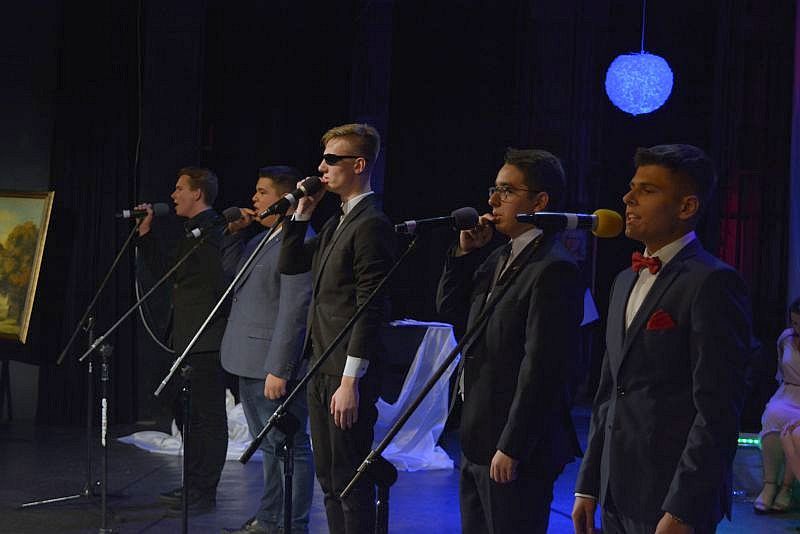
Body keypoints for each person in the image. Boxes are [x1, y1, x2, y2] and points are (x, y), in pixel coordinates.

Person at [572, 144, 753, 534]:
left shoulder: (713, 282)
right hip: (615, 490)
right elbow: (609, 391)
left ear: (687, 207)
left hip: (671, 496)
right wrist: (588, 484)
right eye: (631, 187)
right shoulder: (624, 280)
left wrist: (684, 508)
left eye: (647, 190)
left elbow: (718, 409)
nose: (628, 198)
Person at [436, 148, 584, 534]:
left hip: (515, 445)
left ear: (539, 202)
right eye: (494, 190)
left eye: (506, 191)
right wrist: (465, 253)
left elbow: (543, 368)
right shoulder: (499, 256)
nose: (492, 201)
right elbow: (452, 312)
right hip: (477, 436)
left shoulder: (553, 268)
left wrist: (513, 445)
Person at [278, 123, 396, 534]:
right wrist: (301, 214)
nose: (321, 168)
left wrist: (350, 381)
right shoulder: (338, 221)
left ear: (358, 165)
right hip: (321, 364)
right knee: (329, 478)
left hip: (345, 371)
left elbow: (370, 307)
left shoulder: (371, 224)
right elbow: (291, 263)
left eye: (331, 159)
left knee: (349, 479)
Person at [219, 166, 316, 533]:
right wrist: (234, 234)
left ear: (284, 199)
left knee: (290, 446)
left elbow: (295, 310)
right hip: (247, 359)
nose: (254, 199)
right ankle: (271, 517)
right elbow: (234, 276)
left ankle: (292, 523)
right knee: (271, 448)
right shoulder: (262, 239)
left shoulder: (299, 240)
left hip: (272, 365)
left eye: (262, 193)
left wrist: (281, 366)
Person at [137, 167, 229, 514]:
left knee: (208, 417)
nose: (173, 196)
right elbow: (168, 271)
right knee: (188, 414)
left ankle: (205, 491)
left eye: (179, 189)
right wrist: (145, 235)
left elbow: (220, 280)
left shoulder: (215, 230)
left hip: (207, 338)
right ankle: (192, 484)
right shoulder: (191, 233)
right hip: (185, 337)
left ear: (197, 193)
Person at [756, 296, 800, 513]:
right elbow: (781, 369)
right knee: (773, 414)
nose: (797, 328)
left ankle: (786, 487)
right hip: (788, 391)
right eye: (795, 323)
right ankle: (770, 484)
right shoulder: (786, 338)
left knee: (795, 430)